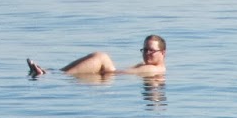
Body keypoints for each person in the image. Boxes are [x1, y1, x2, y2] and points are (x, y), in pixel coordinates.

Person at [29, 35, 166, 78]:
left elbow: (125, 74)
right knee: (99, 56)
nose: (147, 53)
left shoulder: (156, 70)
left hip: (112, 77)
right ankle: (54, 72)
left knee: (102, 57)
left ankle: (55, 75)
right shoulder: (148, 66)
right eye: (144, 50)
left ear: (163, 53)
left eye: (151, 51)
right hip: (111, 76)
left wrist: (110, 71)